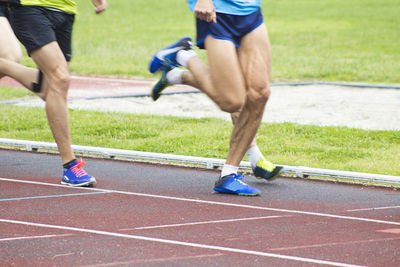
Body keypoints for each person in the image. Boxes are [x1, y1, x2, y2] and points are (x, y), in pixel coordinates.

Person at [149, 0, 283, 196]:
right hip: (217, 12)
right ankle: (183, 55)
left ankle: (229, 175)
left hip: (250, 11)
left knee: (259, 93)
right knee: (232, 101)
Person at [0, 0, 107, 186]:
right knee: (61, 78)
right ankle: (70, 166)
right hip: (30, 7)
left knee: (49, 89)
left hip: (65, 9)